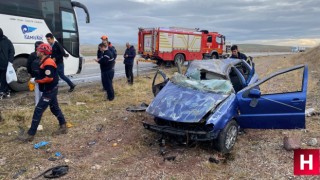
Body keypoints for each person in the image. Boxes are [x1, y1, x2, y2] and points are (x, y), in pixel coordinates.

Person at [19, 43, 68, 142]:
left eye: (38, 50)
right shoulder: (45, 60)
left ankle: (30, 134)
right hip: (50, 89)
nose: (36, 52)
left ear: (43, 52)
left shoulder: (48, 62)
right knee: (54, 108)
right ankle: (63, 126)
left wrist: (36, 81)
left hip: (49, 90)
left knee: (38, 110)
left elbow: (49, 78)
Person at [27, 41, 43, 105]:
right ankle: (42, 104)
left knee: (37, 90)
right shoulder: (43, 55)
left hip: (35, 76)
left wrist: (30, 73)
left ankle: (37, 104)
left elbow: (28, 65)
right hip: (42, 76)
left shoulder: (32, 55)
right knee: (42, 90)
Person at [0, 28, 15, 99]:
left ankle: (4, 91)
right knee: (3, 78)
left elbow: (12, 52)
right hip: (4, 63)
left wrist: (10, 61)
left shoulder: (7, 41)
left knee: (5, 78)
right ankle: (5, 91)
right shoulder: (7, 41)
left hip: (4, 64)